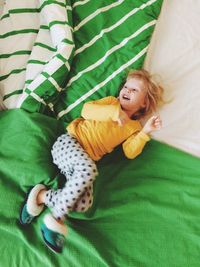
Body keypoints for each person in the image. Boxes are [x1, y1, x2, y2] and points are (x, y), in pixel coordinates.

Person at [19, 69, 164, 253]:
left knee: (83, 204)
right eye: (126, 87)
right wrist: (113, 113)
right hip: (69, 144)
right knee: (88, 169)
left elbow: (129, 152)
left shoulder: (134, 128)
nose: (126, 91)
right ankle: (55, 219)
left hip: (80, 165)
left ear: (144, 103)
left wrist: (145, 133)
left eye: (134, 90)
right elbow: (87, 110)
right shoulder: (112, 103)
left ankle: (40, 196)